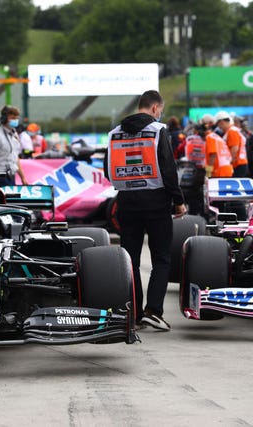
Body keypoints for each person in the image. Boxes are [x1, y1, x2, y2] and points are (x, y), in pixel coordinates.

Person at [105, 90, 186, 331]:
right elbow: (168, 169)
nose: (160, 115)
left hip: (126, 202)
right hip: (156, 201)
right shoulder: (158, 130)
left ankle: (133, 313)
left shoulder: (114, 133)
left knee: (130, 260)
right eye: (160, 110)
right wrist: (178, 200)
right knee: (161, 258)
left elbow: (109, 171)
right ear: (154, 108)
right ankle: (153, 311)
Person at [0, 105, 28, 186]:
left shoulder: (15, 135)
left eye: (16, 118)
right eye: (12, 118)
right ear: (4, 119)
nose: (15, 120)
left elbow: (15, 157)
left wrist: (23, 177)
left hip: (11, 176)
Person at [215, 111, 248, 177]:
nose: (219, 127)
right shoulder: (232, 130)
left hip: (237, 164)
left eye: (218, 124)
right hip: (239, 163)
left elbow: (234, 148)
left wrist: (229, 163)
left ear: (222, 122)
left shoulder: (232, 131)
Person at [202, 114, 233, 178]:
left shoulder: (210, 137)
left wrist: (208, 172)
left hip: (219, 172)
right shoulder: (217, 137)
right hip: (227, 169)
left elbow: (213, 155)